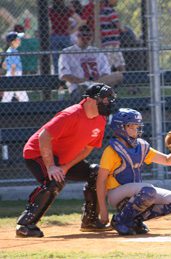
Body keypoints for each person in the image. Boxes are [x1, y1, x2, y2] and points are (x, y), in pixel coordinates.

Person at [15, 83, 116, 238]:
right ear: (89, 100)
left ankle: (90, 221)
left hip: (64, 158)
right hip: (38, 153)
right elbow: (44, 137)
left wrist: (66, 167)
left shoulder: (100, 120)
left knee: (96, 172)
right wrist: (51, 167)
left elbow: (88, 148)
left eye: (109, 100)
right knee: (55, 179)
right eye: (104, 99)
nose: (107, 103)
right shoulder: (71, 114)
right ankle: (25, 225)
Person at [96, 108, 171, 235]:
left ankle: (134, 220)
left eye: (137, 126)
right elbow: (101, 181)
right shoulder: (111, 151)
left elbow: (168, 161)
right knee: (148, 190)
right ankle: (120, 221)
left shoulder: (141, 146)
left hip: (138, 192)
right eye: (131, 126)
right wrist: (103, 211)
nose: (136, 130)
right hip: (116, 194)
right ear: (120, 128)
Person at [58, 25, 123, 102]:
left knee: (118, 75)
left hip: (98, 87)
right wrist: (82, 81)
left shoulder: (97, 52)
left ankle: (91, 87)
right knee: (84, 90)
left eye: (89, 35)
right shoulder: (67, 52)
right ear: (77, 36)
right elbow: (64, 75)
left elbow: (105, 73)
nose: (86, 38)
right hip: (78, 89)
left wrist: (92, 83)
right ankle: (89, 87)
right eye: (83, 35)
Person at [82, 0, 126, 71]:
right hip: (112, 40)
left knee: (113, 61)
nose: (117, 1)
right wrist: (123, 29)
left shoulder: (100, 10)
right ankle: (120, 76)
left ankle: (116, 75)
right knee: (116, 61)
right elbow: (117, 24)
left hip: (105, 41)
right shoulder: (110, 10)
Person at [49, 0, 83, 73]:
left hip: (55, 36)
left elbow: (80, 21)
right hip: (65, 36)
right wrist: (72, 31)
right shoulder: (66, 10)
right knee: (66, 57)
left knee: (56, 59)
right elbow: (79, 21)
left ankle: (57, 75)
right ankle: (66, 74)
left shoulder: (51, 10)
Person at [1, 31, 29, 103]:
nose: (20, 40)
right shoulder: (13, 52)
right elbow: (13, 67)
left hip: (11, 74)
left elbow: (4, 65)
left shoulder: (10, 51)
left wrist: (9, 70)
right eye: (18, 39)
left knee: (7, 98)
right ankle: (28, 111)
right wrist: (14, 79)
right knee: (24, 98)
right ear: (13, 42)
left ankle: (3, 112)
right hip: (15, 75)